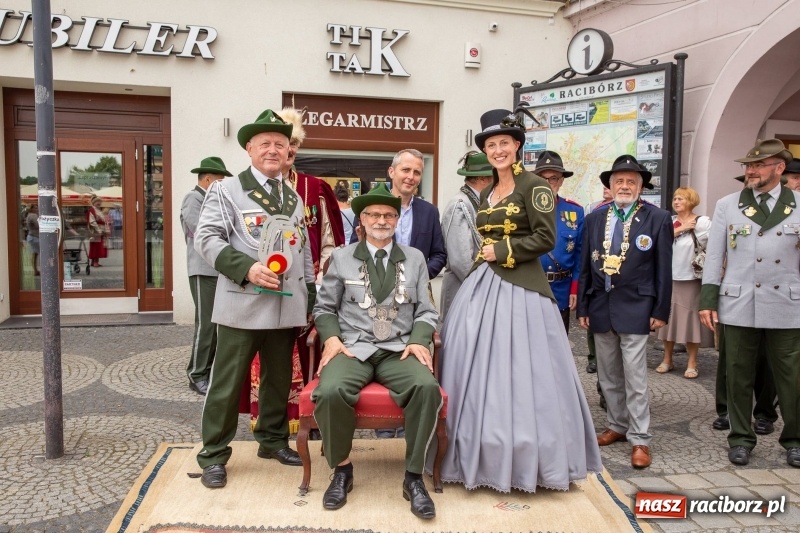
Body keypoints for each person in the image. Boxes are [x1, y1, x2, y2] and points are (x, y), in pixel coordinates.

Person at [434, 108, 602, 492]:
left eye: (503, 144)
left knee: (526, 373)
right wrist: (484, 258)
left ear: (518, 147)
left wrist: (501, 250)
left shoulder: (535, 187)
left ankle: (527, 461)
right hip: (482, 285)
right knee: (474, 367)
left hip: (522, 287)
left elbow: (545, 238)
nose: (497, 150)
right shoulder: (488, 191)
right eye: (491, 145)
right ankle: (474, 451)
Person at [193, 109, 315, 489]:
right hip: (242, 301)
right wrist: (245, 267)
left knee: (279, 379)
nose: (273, 149)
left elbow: (304, 249)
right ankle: (213, 455)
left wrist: (308, 295)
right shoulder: (225, 191)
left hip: (284, 303)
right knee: (228, 384)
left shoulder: (292, 197)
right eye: (265, 143)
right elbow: (207, 238)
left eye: (280, 143)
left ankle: (272, 441)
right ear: (249, 148)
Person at [311, 184, 441, 518]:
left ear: (397, 220)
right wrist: (331, 339)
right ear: (362, 221)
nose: (381, 220)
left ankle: (413, 478)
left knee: (426, 388)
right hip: (354, 347)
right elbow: (324, 308)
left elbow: (427, 310)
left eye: (388, 215)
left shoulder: (414, 259)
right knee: (329, 391)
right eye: (373, 214)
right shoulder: (342, 257)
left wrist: (418, 339)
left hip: (398, 348)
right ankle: (342, 469)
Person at [699, 138, 800, 468]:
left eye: (758, 165)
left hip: (786, 303)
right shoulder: (728, 204)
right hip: (739, 303)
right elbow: (715, 256)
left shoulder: (798, 203)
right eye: (748, 165)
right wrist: (708, 300)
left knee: (791, 377)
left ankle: (794, 440)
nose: (750, 170)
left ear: (779, 168)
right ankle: (741, 438)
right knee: (737, 374)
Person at [577, 154, 673, 469]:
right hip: (601, 305)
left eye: (632, 181)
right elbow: (585, 266)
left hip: (637, 305)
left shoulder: (657, 218)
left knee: (635, 376)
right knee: (608, 375)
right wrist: (584, 305)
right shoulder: (594, 219)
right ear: (610, 184)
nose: (625, 185)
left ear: (641, 186)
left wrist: (661, 309)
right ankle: (616, 426)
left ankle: (640, 438)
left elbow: (663, 269)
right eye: (619, 180)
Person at [352, 148, 447, 438]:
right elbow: (351, 253)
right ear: (392, 172)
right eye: (406, 170)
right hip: (371, 300)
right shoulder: (370, 208)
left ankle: (409, 430)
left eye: (417, 172)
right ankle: (383, 428)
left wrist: (412, 277)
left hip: (409, 303)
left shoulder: (428, 212)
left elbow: (440, 254)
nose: (411, 176)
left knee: (406, 360)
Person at [711, 174, 778, 433]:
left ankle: (765, 412)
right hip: (737, 297)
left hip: (775, 297)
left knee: (768, 360)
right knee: (731, 360)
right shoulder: (730, 209)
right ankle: (727, 409)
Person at [180, 156, 231, 396]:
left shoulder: (210, 200)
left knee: (215, 324)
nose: (222, 186)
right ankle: (197, 374)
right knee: (206, 325)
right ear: (208, 179)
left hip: (215, 270)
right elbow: (203, 232)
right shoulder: (194, 198)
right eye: (220, 182)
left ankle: (206, 371)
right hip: (202, 270)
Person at [654, 187, 714, 379]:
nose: (676, 202)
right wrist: (680, 229)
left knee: (690, 321)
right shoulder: (670, 221)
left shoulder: (703, 222)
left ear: (691, 201)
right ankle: (667, 358)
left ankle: (692, 362)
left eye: (681, 199)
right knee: (667, 320)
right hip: (668, 278)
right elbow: (657, 242)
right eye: (675, 198)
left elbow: (714, 247)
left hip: (691, 278)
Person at [439, 151, 493, 323]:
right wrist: (484, 289)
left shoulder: (475, 202)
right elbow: (461, 261)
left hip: (473, 290)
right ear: (483, 179)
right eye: (494, 177)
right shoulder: (460, 204)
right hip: (464, 291)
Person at [536, 150, 584, 333]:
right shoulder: (523, 210)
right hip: (531, 288)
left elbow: (579, 255)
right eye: (543, 178)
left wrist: (574, 289)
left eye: (553, 178)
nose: (548, 184)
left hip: (561, 290)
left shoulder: (574, 212)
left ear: (561, 180)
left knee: (559, 347)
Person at [86, 195, 109, 267]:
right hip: (95, 231)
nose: (99, 203)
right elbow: (92, 222)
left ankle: (95, 261)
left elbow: (104, 221)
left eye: (99, 202)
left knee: (99, 246)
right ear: (93, 202)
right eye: (97, 202)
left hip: (101, 230)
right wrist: (98, 230)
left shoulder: (99, 211)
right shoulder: (92, 210)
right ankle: (94, 261)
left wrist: (106, 229)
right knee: (95, 246)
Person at [25, 203, 40, 276]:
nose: (36, 209)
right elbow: (38, 225)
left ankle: (35, 270)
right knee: (39, 253)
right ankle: (36, 270)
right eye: (35, 208)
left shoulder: (28, 215)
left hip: (31, 236)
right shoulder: (33, 215)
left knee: (35, 254)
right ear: (31, 209)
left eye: (37, 208)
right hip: (35, 237)